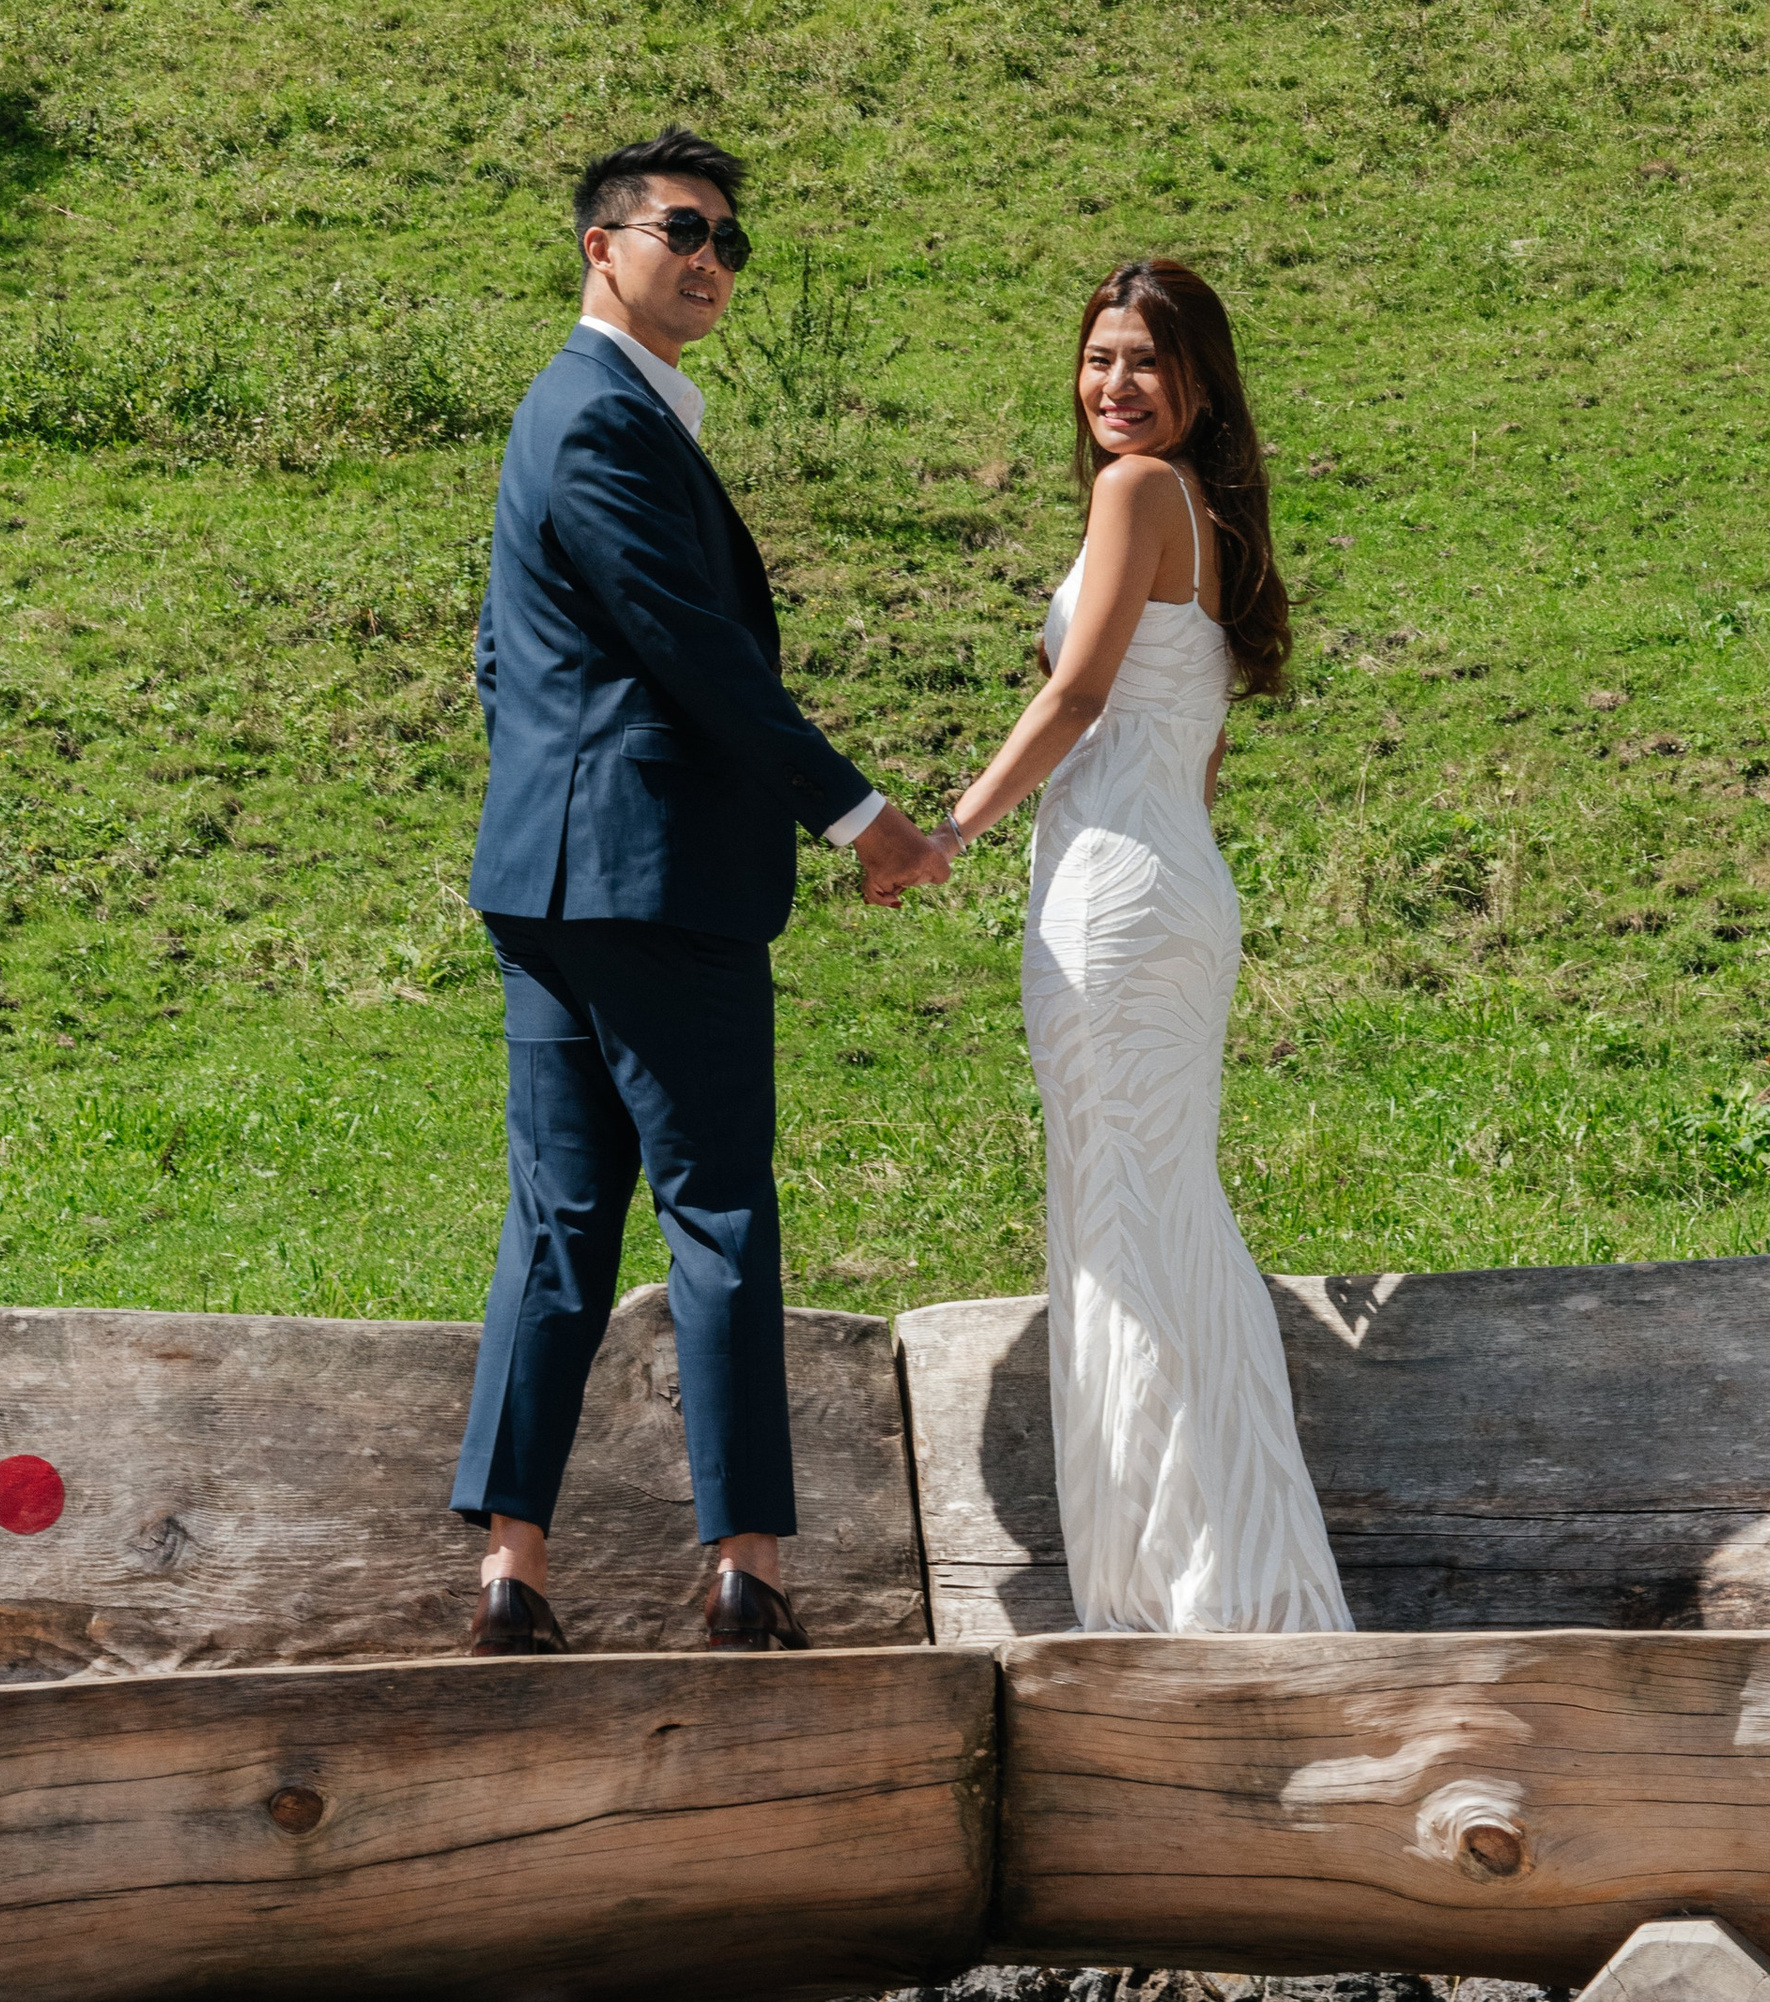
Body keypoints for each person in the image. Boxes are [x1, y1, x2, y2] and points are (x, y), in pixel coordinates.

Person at [450, 126, 945, 1657]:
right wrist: (859, 813)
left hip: (552, 878)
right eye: (684, 227)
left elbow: (498, 661)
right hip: (652, 882)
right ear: (602, 244)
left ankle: (515, 1567)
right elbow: (695, 648)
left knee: (558, 1220)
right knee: (717, 1213)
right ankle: (747, 1568)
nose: (715, 256)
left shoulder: (578, 412)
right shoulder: (599, 413)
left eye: (734, 238)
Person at [937, 257, 1350, 1635]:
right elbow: (1203, 752)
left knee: (1121, 1228)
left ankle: (1168, 1592)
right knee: (1170, 1217)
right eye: (1098, 357)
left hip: (1112, 895)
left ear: (1198, 381)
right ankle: (1238, 1569)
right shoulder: (1219, 523)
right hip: (1180, 886)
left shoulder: (1133, 495)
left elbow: (1077, 693)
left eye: (1146, 362)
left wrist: (953, 826)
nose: (1116, 385)